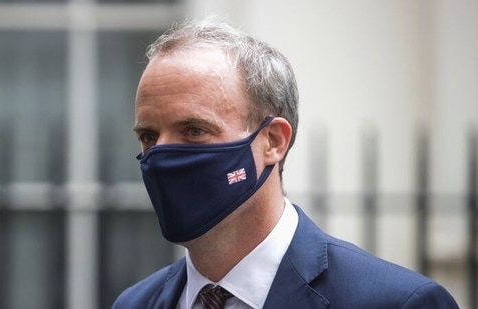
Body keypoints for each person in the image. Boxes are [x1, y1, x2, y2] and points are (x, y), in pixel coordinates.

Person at [112, 17, 459, 309]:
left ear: (273, 141)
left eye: (194, 130)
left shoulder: (397, 302)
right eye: (149, 137)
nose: (161, 156)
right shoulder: (134, 303)